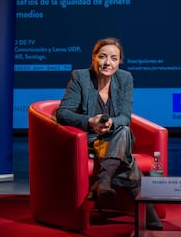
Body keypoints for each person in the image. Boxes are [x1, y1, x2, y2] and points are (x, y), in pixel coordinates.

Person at [56, 37, 163, 231]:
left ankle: (103, 181)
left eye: (114, 58)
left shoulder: (125, 79)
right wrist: (90, 122)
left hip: (116, 135)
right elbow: (63, 113)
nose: (108, 63)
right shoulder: (80, 77)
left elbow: (125, 117)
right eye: (103, 57)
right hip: (89, 138)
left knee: (123, 129)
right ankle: (146, 211)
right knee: (125, 150)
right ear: (94, 58)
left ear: (119, 61)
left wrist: (111, 122)